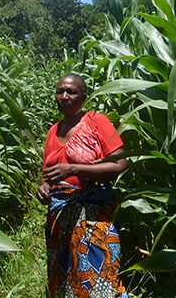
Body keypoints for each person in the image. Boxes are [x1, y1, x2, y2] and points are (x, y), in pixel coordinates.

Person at [37, 73, 129, 298]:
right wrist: (44, 186)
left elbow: (121, 164)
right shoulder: (53, 131)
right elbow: (47, 174)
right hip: (60, 216)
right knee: (64, 279)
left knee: (101, 278)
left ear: (83, 97)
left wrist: (74, 169)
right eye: (60, 91)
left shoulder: (97, 121)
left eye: (71, 91)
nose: (64, 96)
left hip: (93, 214)